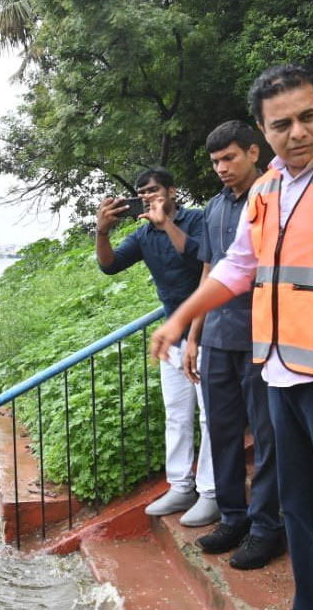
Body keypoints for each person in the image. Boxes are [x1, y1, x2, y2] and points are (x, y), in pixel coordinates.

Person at [151, 65, 313, 610]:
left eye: (309, 116)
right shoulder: (266, 189)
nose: (299, 132)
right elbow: (236, 267)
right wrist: (181, 320)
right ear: (263, 131)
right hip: (280, 372)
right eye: (282, 124)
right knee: (300, 508)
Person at [181, 121, 283, 570]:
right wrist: (194, 336)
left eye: (230, 157)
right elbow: (210, 273)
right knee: (220, 433)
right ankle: (233, 515)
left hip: (262, 335)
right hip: (218, 339)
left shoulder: (276, 193)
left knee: (266, 437)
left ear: (253, 152)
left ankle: (266, 527)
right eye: (216, 161)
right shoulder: (213, 207)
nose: (222, 168)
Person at [96, 168, 219, 526]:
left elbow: (202, 261)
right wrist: (102, 230)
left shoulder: (198, 220)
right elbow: (109, 265)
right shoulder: (143, 234)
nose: (148, 198)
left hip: (209, 333)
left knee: (210, 417)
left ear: (173, 191)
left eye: (154, 191)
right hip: (173, 338)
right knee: (177, 415)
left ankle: (211, 492)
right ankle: (181, 486)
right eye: (143, 194)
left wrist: (167, 224)